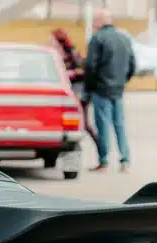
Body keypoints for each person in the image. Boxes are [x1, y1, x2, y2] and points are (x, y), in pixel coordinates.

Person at [84, 9, 136, 172]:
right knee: (119, 125)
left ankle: (104, 160)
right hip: (118, 89)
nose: (92, 24)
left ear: (100, 21)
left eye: (94, 20)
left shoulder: (97, 38)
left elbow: (91, 65)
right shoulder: (124, 38)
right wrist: (122, 81)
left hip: (101, 89)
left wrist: (90, 87)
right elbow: (132, 64)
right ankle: (125, 159)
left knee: (103, 125)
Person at [51, 28, 100, 152]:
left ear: (58, 40)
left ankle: (101, 148)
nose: (50, 41)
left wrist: (68, 74)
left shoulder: (71, 52)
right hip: (66, 93)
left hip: (78, 92)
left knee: (84, 124)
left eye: (52, 39)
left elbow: (82, 70)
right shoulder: (55, 54)